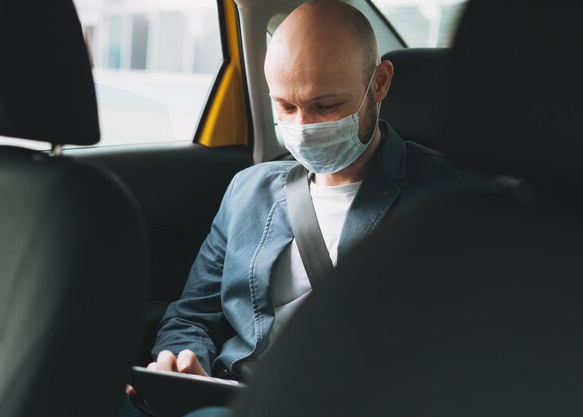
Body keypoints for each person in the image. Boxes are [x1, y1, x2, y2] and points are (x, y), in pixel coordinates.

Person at [124, 0, 477, 414]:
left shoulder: (455, 200)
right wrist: (181, 362)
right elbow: (191, 316)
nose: (305, 127)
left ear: (379, 83)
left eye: (327, 106)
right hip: (233, 395)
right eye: (286, 107)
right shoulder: (247, 190)